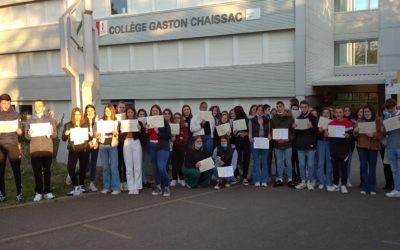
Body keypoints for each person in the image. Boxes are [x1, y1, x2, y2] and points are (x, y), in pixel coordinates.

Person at [25, 99, 57, 202]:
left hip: (47, 148)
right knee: (37, 172)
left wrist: (52, 132)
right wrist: (29, 134)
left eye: (40, 105)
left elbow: (55, 135)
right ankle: (38, 192)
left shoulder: (50, 119)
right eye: (36, 105)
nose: (37, 107)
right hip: (35, 149)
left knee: (47, 172)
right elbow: (27, 137)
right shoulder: (30, 120)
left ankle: (48, 191)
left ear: (43, 107)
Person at [353, 105, 383, 195]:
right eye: (365, 112)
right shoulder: (359, 121)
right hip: (362, 147)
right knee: (363, 167)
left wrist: (373, 135)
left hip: (373, 147)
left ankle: (373, 187)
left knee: (372, 167)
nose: (366, 113)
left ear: (372, 112)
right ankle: (365, 186)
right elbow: (356, 136)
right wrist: (355, 132)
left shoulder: (378, 121)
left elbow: (382, 135)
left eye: (368, 111)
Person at [62, 107, 91, 196]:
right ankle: (75, 186)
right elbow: (63, 138)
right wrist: (65, 134)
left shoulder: (85, 124)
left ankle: (81, 186)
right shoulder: (68, 125)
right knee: (70, 168)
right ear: (73, 115)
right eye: (75, 115)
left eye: (79, 114)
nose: (77, 116)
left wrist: (91, 135)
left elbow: (89, 138)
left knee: (83, 168)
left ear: (81, 115)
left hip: (84, 148)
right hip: (73, 149)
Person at [0, 94, 23, 202]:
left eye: (8, 103)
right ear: (0, 103)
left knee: (16, 170)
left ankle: (19, 193)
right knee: (1, 171)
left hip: (13, 145)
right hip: (0, 146)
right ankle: (2, 193)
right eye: (4, 103)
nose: (6, 105)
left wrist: (19, 131)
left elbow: (20, 130)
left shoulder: (16, 114)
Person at [146, 105, 172, 197]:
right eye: (153, 111)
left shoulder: (164, 121)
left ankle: (166, 186)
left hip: (162, 147)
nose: (155, 112)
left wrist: (158, 133)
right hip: (152, 146)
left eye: (156, 111)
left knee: (161, 167)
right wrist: (145, 131)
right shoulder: (148, 122)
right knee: (155, 168)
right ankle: (158, 186)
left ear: (159, 112)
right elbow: (145, 137)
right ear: (151, 112)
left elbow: (169, 135)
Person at [327, 106, 353, 194]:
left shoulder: (348, 123)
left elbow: (352, 137)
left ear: (343, 113)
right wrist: (327, 135)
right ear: (334, 114)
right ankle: (335, 185)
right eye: (337, 112)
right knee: (335, 168)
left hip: (344, 150)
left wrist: (348, 136)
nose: (338, 114)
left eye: (340, 112)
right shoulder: (330, 123)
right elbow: (329, 138)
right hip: (334, 149)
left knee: (344, 168)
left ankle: (343, 185)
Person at [294, 100, 318, 191]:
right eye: (302, 107)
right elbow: (296, 133)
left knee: (311, 165)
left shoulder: (313, 118)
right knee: (302, 164)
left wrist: (312, 127)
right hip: (300, 145)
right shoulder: (298, 118)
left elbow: (317, 132)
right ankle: (303, 181)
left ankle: (310, 181)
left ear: (308, 107)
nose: (303, 109)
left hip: (310, 145)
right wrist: (294, 127)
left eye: (305, 107)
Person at [270, 101, 295, 187]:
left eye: (280, 106)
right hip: (277, 144)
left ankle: (290, 179)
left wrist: (288, 139)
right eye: (277, 107)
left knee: (288, 162)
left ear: (284, 107)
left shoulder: (290, 118)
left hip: (287, 144)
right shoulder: (273, 118)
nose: (278, 108)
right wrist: (276, 139)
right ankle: (279, 179)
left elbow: (293, 132)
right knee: (279, 163)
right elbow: (272, 131)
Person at [120, 106, 144, 195]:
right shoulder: (123, 123)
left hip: (136, 143)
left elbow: (142, 137)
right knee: (128, 166)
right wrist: (122, 131)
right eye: (128, 112)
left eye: (131, 112)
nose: (130, 114)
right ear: (126, 113)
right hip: (126, 143)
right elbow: (121, 138)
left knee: (137, 166)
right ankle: (131, 187)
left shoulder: (139, 122)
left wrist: (140, 130)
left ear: (134, 113)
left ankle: (137, 187)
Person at [98, 104, 120, 195]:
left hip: (113, 145)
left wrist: (115, 134)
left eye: (109, 110)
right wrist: (97, 134)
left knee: (114, 167)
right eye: (106, 110)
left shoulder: (116, 121)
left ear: (112, 111)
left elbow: (118, 133)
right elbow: (97, 133)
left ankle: (116, 188)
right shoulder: (100, 121)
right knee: (105, 168)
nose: (107, 112)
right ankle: (106, 187)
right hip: (103, 145)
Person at [248, 105, 270, 187]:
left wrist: (269, 136)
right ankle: (257, 180)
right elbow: (250, 132)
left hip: (264, 142)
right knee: (256, 162)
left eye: (261, 110)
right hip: (255, 142)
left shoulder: (267, 120)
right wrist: (250, 138)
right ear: (256, 111)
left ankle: (264, 180)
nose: (260, 111)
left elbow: (269, 132)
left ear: (263, 111)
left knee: (264, 162)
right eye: (258, 110)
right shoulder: (252, 120)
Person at [383, 99, 400, 197]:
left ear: (395, 106)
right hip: (390, 146)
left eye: (391, 109)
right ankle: (397, 189)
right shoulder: (386, 116)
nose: (390, 111)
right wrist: (383, 129)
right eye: (388, 109)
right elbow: (385, 133)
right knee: (394, 169)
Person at [232, 106, 250, 185]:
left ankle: (245, 177)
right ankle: (237, 175)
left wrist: (246, 133)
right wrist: (235, 133)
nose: (234, 113)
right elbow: (233, 135)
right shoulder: (234, 121)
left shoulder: (247, 120)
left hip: (246, 141)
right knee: (236, 159)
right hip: (238, 141)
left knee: (246, 159)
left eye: (235, 112)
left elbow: (251, 131)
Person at [316, 108, 333, 190]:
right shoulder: (318, 121)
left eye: (327, 113)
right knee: (320, 162)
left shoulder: (332, 122)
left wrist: (329, 133)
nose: (326, 114)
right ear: (322, 114)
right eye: (324, 112)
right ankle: (321, 182)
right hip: (320, 142)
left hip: (329, 143)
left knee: (329, 163)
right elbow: (314, 133)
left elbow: (335, 134)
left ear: (330, 114)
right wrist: (319, 131)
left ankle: (329, 182)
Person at [170, 112, 188, 187]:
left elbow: (184, 139)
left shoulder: (183, 127)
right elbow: (170, 138)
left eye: (178, 118)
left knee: (180, 163)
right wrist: (175, 137)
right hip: (173, 147)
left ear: (180, 119)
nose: (177, 119)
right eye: (175, 118)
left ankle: (181, 178)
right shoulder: (171, 126)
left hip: (181, 147)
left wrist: (176, 138)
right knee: (173, 163)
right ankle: (174, 179)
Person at [84, 104, 99, 192]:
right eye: (88, 111)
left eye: (91, 110)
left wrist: (96, 141)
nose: (89, 112)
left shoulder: (97, 120)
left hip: (95, 144)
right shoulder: (83, 121)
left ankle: (92, 183)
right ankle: (73, 174)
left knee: (93, 164)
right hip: (86, 144)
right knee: (86, 165)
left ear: (94, 111)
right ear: (86, 112)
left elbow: (100, 132)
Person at [137, 109, 151, 188]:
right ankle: (143, 181)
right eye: (140, 114)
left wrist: (146, 130)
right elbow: (140, 137)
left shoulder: (148, 123)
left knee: (145, 164)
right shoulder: (137, 124)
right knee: (140, 164)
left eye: (143, 114)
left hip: (147, 146)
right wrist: (143, 131)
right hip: (139, 146)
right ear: (138, 116)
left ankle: (144, 180)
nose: (142, 116)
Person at [116, 101, 127, 191]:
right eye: (120, 107)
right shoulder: (114, 118)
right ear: (117, 108)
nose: (122, 109)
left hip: (126, 142)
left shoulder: (127, 117)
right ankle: (120, 182)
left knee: (125, 163)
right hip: (117, 143)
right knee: (118, 163)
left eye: (123, 107)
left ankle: (126, 182)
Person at [344, 105, 356, 188]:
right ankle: (341, 179)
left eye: (349, 110)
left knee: (348, 163)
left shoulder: (354, 121)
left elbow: (355, 135)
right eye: (345, 110)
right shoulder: (339, 120)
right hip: (340, 145)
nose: (347, 112)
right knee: (340, 163)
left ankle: (347, 179)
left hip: (350, 144)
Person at [290, 103, 300, 184]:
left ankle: (300, 176)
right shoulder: (288, 118)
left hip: (299, 143)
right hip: (290, 143)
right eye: (293, 109)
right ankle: (293, 176)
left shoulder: (301, 118)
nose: (294, 110)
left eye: (296, 109)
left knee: (299, 161)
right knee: (291, 161)